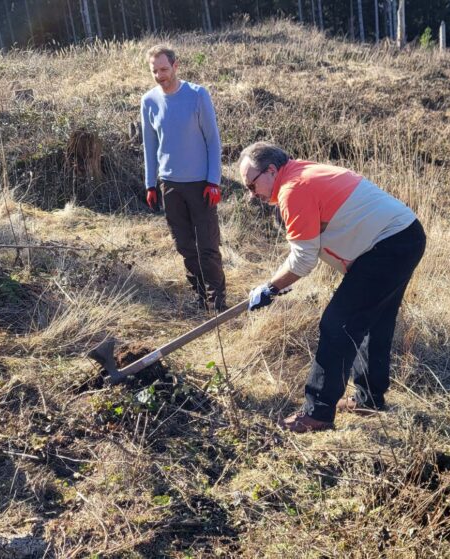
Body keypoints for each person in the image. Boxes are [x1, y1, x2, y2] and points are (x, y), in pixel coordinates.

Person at [238, 142, 426, 433]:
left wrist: (270, 288)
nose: (252, 194)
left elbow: (303, 259)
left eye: (252, 185)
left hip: (389, 245)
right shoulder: (302, 173)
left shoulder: (293, 189)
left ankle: (318, 413)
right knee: (375, 321)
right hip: (406, 235)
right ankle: (369, 400)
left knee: (337, 324)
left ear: (271, 170)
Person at [141, 44, 227, 311]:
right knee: (185, 246)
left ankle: (217, 300)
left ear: (175, 66)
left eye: (164, 69)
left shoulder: (198, 95)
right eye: (155, 71)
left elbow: (213, 141)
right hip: (170, 186)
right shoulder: (149, 101)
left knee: (207, 246)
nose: (160, 75)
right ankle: (200, 297)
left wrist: (213, 181)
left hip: (201, 185)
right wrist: (150, 184)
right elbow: (149, 146)